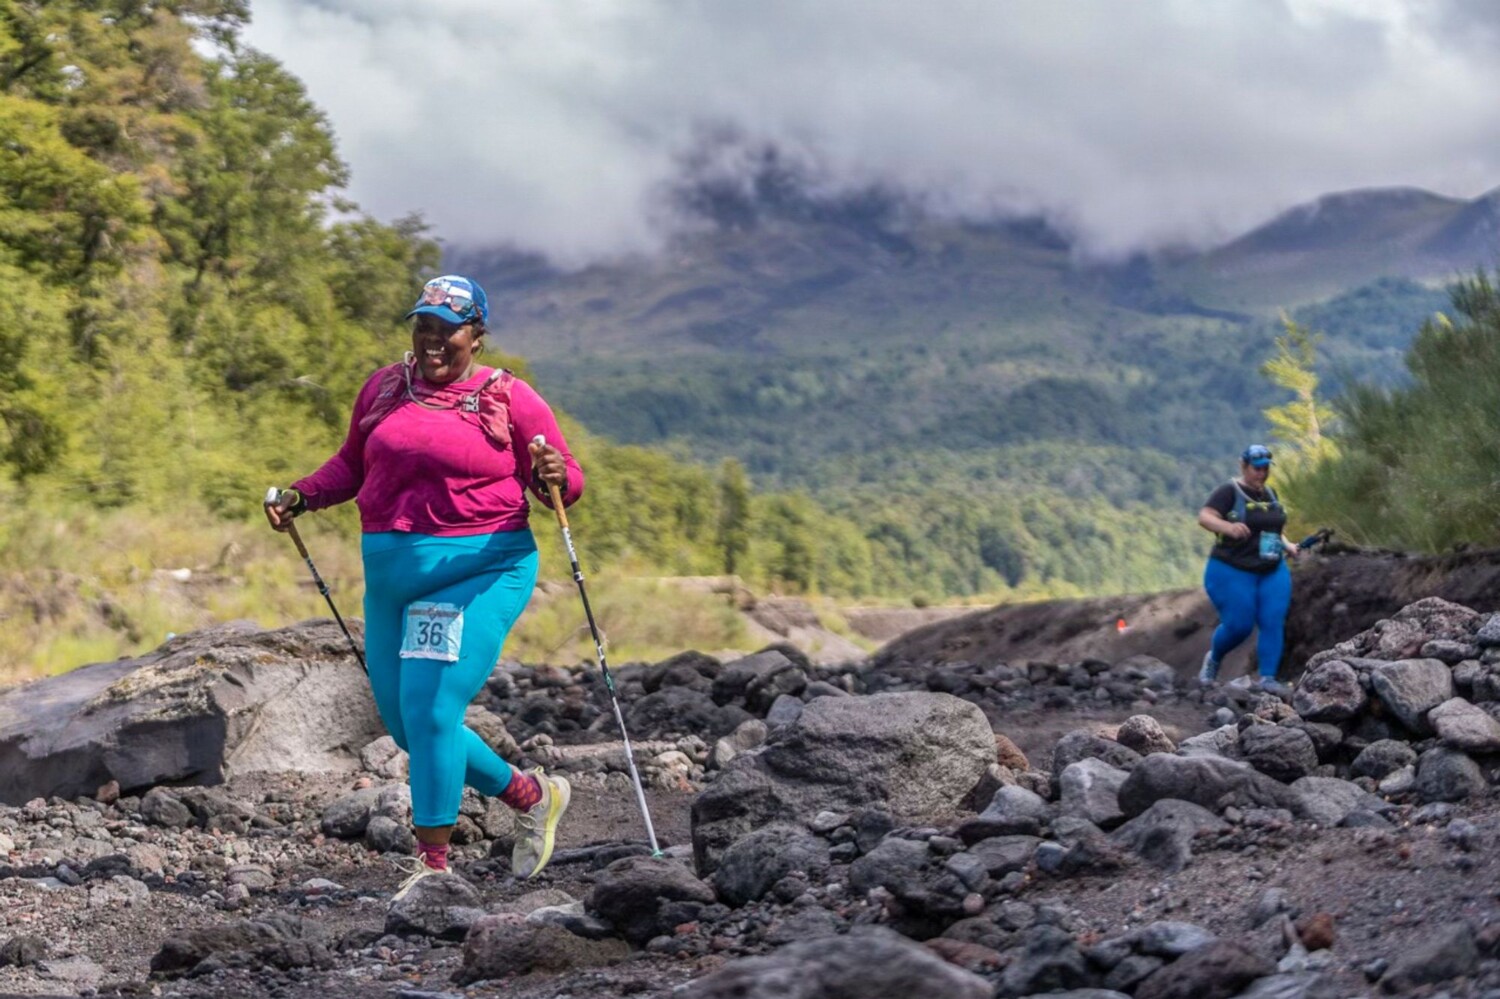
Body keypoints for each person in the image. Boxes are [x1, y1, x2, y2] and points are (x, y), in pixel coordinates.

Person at [265, 274, 579, 896]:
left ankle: (432, 871)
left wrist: (553, 475)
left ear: (477, 336)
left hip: (481, 571)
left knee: (435, 709)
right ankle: (532, 796)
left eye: (448, 329)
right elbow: (351, 465)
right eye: (423, 326)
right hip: (391, 583)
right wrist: (303, 494)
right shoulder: (385, 388)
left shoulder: (510, 398)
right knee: (410, 729)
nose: (433, 340)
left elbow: (562, 482)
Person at [1195, 444, 1302, 697]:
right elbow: (1205, 516)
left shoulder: (1270, 494)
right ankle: (1214, 659)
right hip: (1231, 568)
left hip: (1271, 568)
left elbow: (1271, 528)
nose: (1262, 474)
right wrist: (1227, 527)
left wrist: (1288, 545)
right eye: (1257, 469)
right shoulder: (1229, 491)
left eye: (1265, 469)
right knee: (1239, 625)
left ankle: (1268, 678)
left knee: (1273, 619)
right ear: (1244, 467)